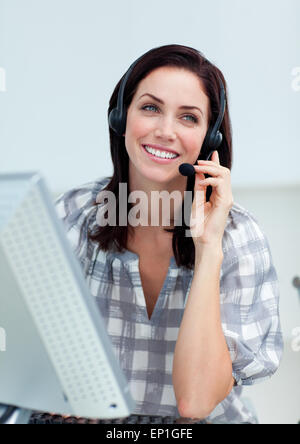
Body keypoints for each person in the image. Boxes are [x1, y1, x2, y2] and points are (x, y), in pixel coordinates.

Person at [55, 44, 283, 424]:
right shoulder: (76, 213)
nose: (164, 131)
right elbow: (33, 356)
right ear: (120, 117)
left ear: (210, 140)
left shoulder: (240, 236)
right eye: (150, 108)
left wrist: (209, 248)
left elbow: (195, 403)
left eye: (188, 118)